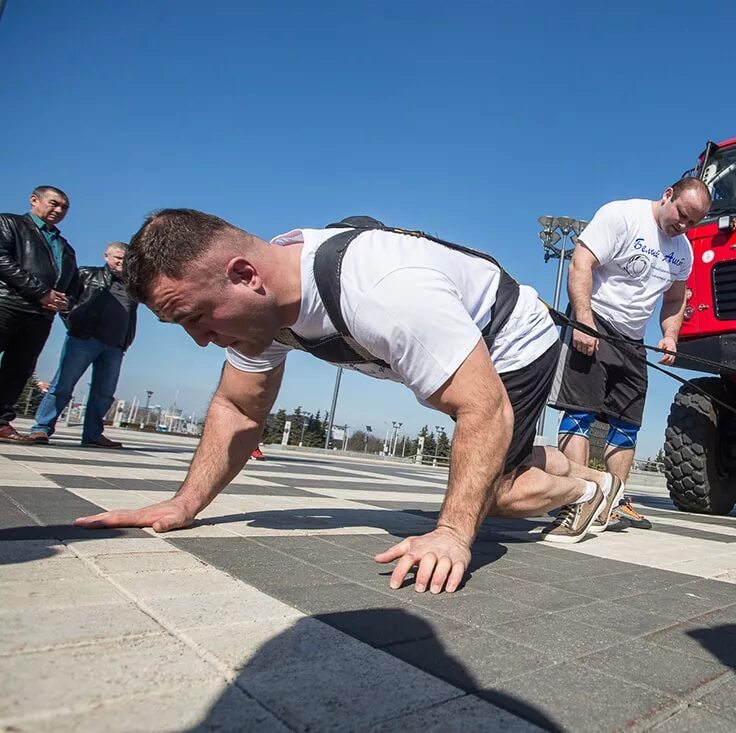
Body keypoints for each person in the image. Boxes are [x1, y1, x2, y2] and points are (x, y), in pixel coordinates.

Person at [74, 209, 622, 594]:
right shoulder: (260, 311)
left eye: (195, 317)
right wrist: (183, 505)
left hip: (511, 339)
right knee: (498, 454)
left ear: (246, 276)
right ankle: (591, 478)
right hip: (451, 347)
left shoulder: (381, 290)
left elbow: (483, 410)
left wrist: (453, 533)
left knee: (491, 490)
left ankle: (582, 489)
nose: (198, 339)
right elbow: (239, 409)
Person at [548, 178, 711, 530]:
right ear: (668, 195)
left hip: (633, 341)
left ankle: (612, 502)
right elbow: (580, 263)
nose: (683, 225)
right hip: (596, 321)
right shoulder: (622, 216)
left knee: (627, 424)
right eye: (682, 214)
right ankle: (577, 499)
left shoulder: (683, 250)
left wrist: (669, 335)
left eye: (692, 222)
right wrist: (584, 321)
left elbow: (674, 298)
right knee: (580, 415)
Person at [27, 242, 139, 448]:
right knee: (63, 385)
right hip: (84, 339)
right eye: (118, 258)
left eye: (126, 259)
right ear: (106, 256)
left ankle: (93, 434)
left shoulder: (133, 287)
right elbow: (66, 302)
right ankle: (41, 428)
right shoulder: (87, 274)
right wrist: (74, 322)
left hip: (115, 345)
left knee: (104, 392)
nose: (122, 263)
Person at [0, 186, 79, 444]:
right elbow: (2, 260)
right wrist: (41, 291)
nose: (58, 210)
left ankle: (1, 421)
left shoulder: (65, 247)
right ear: (34, 200)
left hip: (40, 316)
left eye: (64, 207)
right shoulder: (11, 224)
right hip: (8, 304)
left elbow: (72, 284)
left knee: (19, 368)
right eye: (53, 203)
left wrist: (64, 300)